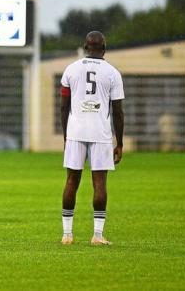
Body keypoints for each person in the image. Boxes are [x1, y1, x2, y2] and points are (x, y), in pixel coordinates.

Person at [60, 31, 124, 246]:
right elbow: (118, 111)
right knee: (99, 182)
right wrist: (120, 143)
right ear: (104, 48)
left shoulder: (71, 69)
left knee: (71, 180)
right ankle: (97, 235)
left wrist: (65, 135)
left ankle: (67, 234)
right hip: (101, 133)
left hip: (75, 132)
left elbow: (63, 105)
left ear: (85, 47)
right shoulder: (113, 73)